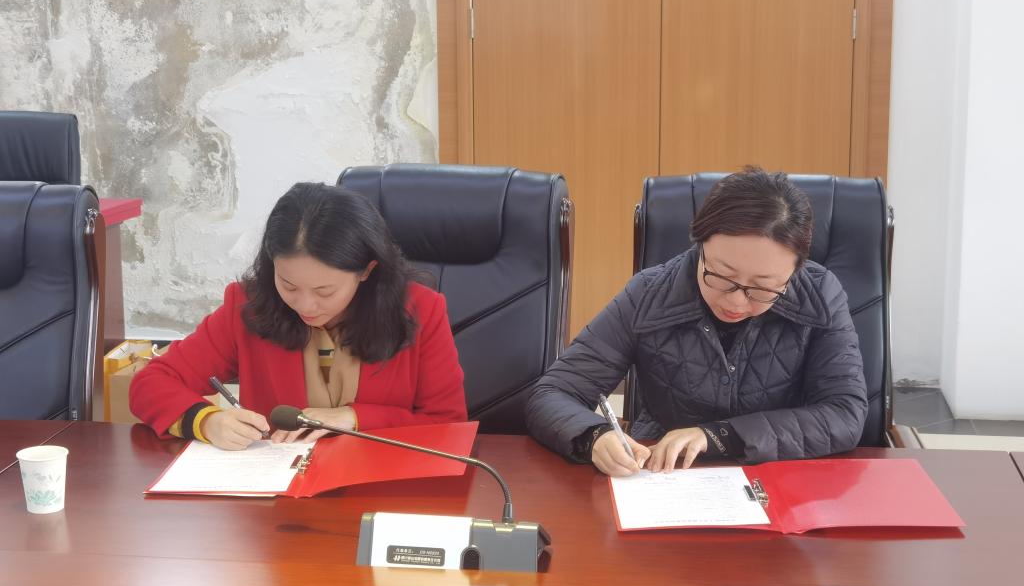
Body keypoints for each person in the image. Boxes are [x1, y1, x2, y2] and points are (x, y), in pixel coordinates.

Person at [525, 167, 867, 476]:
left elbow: (845, 414)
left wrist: (720, 436)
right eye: (721, 276)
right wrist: (595, 435)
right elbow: (553, 393)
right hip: (663, 475)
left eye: (762, 288)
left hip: (781, 476)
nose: (735, 301)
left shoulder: (820, 294)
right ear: (700, 246)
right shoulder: (649, 293)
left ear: (794, 272)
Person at [131, 182, 467, 450]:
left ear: (366, 271)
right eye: (288, 285)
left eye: (325, 291)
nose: (306, 306)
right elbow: (151, 383)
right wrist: (205, 421)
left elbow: (449, 425)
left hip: (385, 492)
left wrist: (355, 418)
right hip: (280, 497)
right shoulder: (248, 305)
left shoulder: (421, 310)